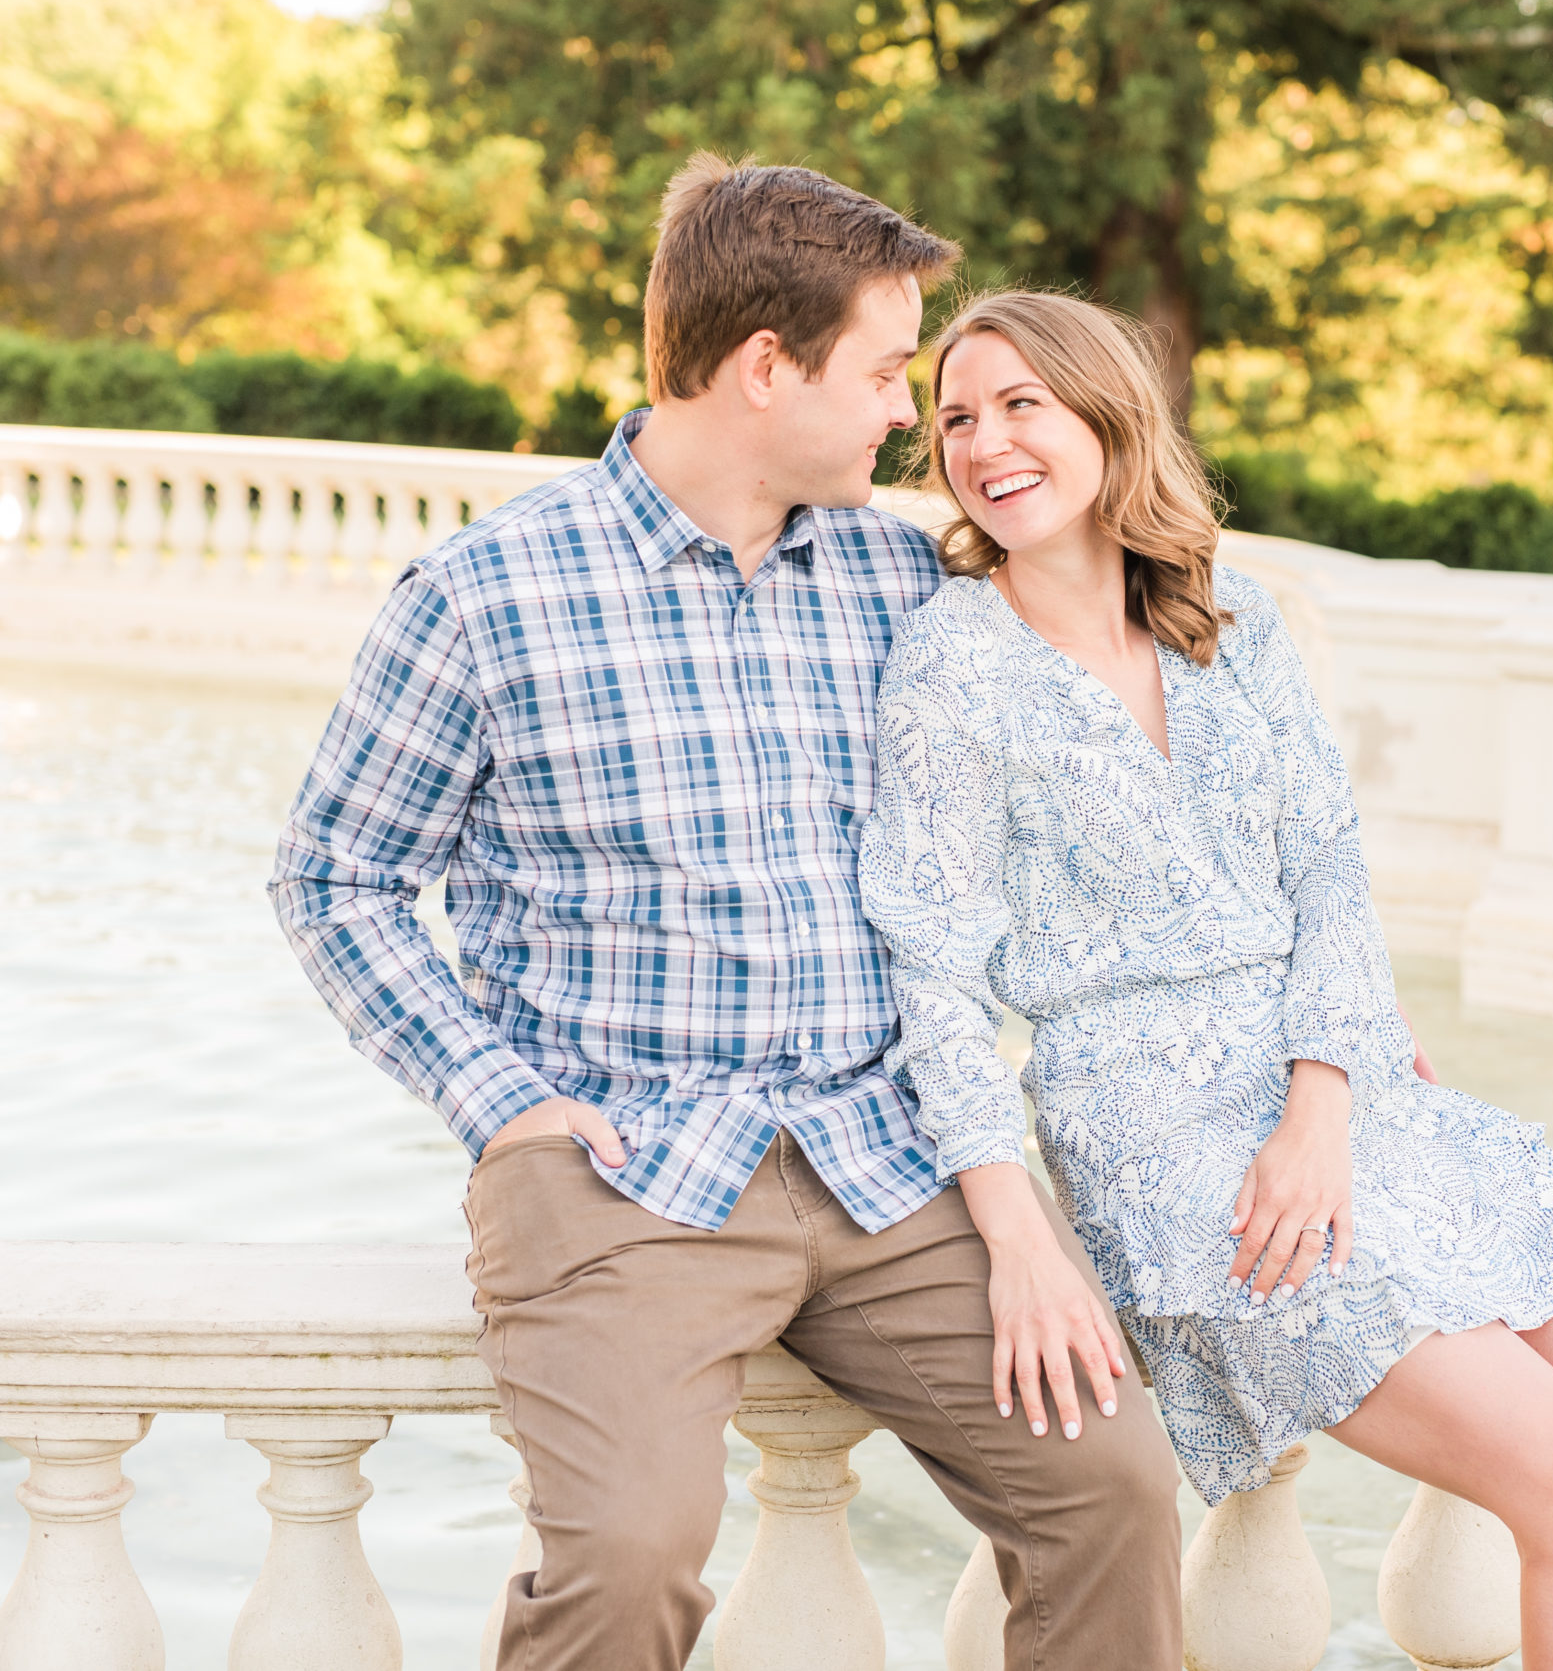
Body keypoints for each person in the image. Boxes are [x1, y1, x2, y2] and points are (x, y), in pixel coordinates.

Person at [267, 157, 1184, 1671]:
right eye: (890, 370)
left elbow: (1086, 819)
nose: (911, 413)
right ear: (768, 367)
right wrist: (504, 1101)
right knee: (624, 1562)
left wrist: (1309, 1034)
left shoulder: (903, 579)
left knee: (1114, 1489)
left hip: (889, 1158)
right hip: (623, 1167)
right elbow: (335, 877)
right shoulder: (486, 593)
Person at [858, 289, 1553, 1671]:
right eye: (955, 417)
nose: (983, 442)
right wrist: (1015, 1225)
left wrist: (1327, 1089)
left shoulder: (1231, 614)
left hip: (1336, 1088)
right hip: (1164, 1137)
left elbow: (1329, 862)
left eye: (1021, 402)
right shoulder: (950, 666)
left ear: (1105, 413)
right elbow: (933, 977)